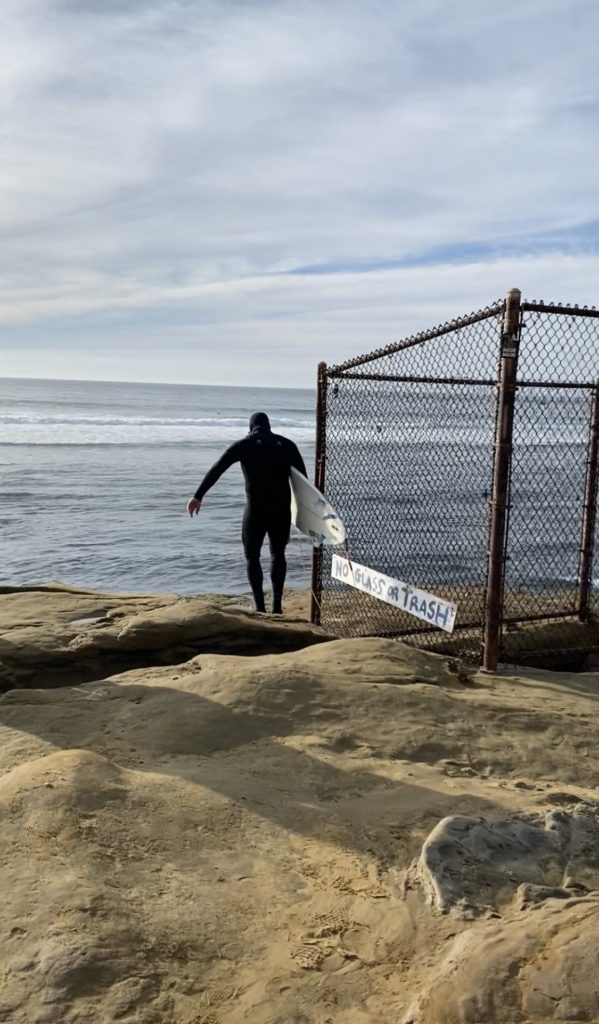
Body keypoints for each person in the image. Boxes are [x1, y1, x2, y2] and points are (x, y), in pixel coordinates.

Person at [187, 412, 307, 615]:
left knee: (252, 556)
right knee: (278, 555)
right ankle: (277, 607)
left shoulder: (244, 444)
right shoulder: (287, 445)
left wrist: (198, 496)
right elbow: (303, 481)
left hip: (256, 509)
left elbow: (218, 468)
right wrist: (308, 513)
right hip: (280, 510)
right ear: (269, 426)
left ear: (250, 427)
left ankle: (260, 607)